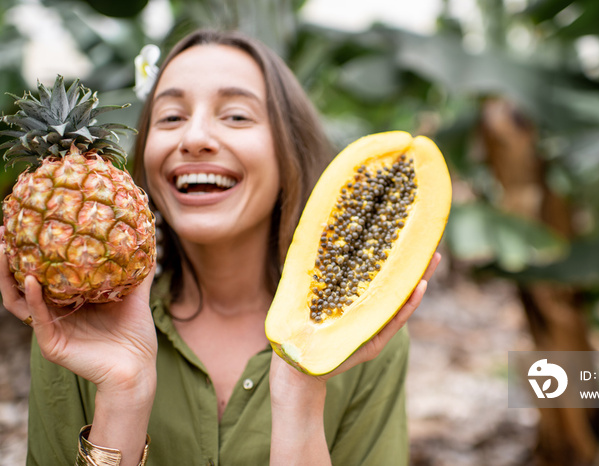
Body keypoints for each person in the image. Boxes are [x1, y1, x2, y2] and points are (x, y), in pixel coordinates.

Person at [0, 29, 440, 465]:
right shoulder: (78, 327)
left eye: (236, 116)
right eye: (170, 117)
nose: (194, 138)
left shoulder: (361, 336)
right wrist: (123, 394)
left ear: (289, 147)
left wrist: (300, 395)